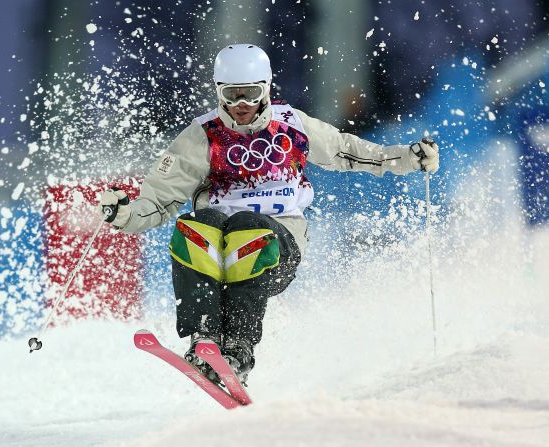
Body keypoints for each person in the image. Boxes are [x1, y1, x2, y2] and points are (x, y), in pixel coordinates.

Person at [99, 44, 439, 384]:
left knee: (247, 226)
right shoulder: (203, 135)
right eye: (232, 95)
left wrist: (406, 158)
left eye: (250, 93)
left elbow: (348, 151)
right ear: (219, 91)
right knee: (198, 224)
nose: (241, 105)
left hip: (277, 246)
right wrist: (127, 215)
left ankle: (239, 347)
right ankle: (205, 335)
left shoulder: (292, 125)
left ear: (266, 89)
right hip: (217, 250)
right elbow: (160, 196)